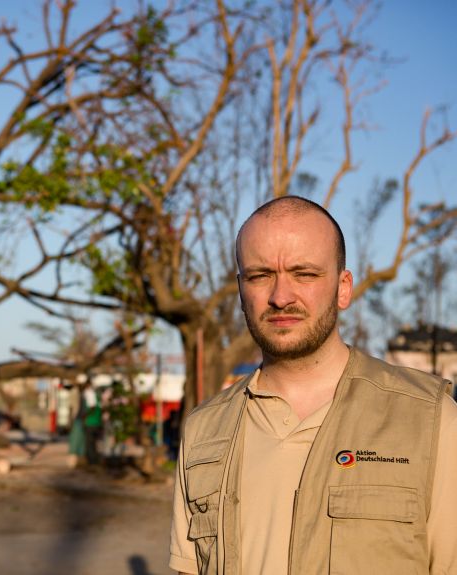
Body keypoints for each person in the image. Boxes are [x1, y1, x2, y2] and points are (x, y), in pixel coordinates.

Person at [169, 196, 457, 575]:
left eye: (304, 274)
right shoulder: (203, 430)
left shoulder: (431, 420)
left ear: (343, 288)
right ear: (241, 290)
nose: (280, 296)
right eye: (259, 276)